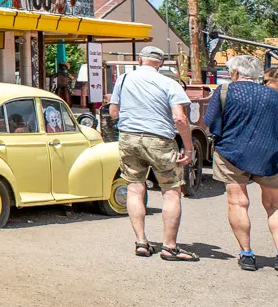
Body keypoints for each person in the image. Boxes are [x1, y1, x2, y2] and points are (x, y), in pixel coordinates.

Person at [109, 46, 197, 261]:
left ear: (140, 60)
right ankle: (169, 247)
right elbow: (180, 118)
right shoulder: (170, 83)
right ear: (160, 63)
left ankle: (141, 242)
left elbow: (113, 112)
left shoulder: (124, 79)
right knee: (171, 191)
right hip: (159, 140)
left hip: (129, 137)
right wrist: (188, 146)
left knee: (134, 187)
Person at [203, 55, 278, 272]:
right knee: (274, 206)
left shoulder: (225, 91)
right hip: (269, 154)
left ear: (235, 73)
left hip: (231, 154)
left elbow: (212, 124)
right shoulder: (273, 95)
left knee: (238, 202)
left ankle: (246, 254)